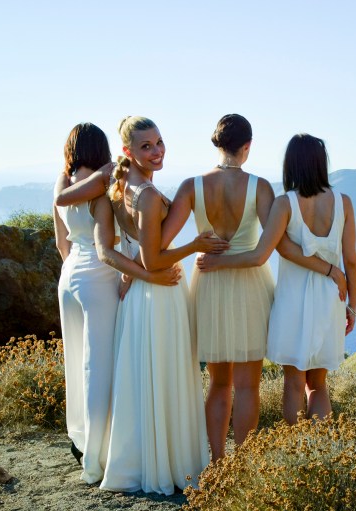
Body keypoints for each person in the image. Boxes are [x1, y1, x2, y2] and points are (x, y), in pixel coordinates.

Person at [160, 115, 345, 460]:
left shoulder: (190, 186)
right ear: (247, 147)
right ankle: (243, 462)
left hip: (209, 283)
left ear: (215, 143)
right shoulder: (260, 188)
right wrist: (329, 268)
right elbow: (277, 246)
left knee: (217, 384)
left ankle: (216, 463)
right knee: (247, 386)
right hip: (250, 288)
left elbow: (160, 244)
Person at [85, 116, 223, 495]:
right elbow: (153, 260)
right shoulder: (144, 193)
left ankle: (147, 460)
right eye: (146, 146)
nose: (157, 151)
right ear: (129, 151)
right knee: (166, 374)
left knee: (149, 376)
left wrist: (135, 273)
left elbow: (126, 252)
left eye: (159, 142)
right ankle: (170, 464)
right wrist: (195, 246)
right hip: (160, 294)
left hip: (144, 296)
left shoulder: (121, 186)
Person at [197, 133, 356, 425]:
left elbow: (266, 252)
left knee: (294, 384)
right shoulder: (343, 202)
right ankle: (322, 454)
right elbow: (352, 260)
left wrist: (217, 262)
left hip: (293, 300)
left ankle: (293, 455)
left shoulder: (285, 203)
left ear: (290, 164)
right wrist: (353, 304)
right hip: (331, 297)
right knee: (319, 385)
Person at [53, 123, 181, 484]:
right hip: (99, 279)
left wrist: (71, 271)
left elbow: (61, 240)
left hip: (69, 277)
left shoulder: (63, 182)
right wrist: (146, 275)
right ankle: (96, 458)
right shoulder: (103, 184)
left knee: (77, 363)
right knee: (101, 369)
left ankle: (80, 439)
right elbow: (104, 248)